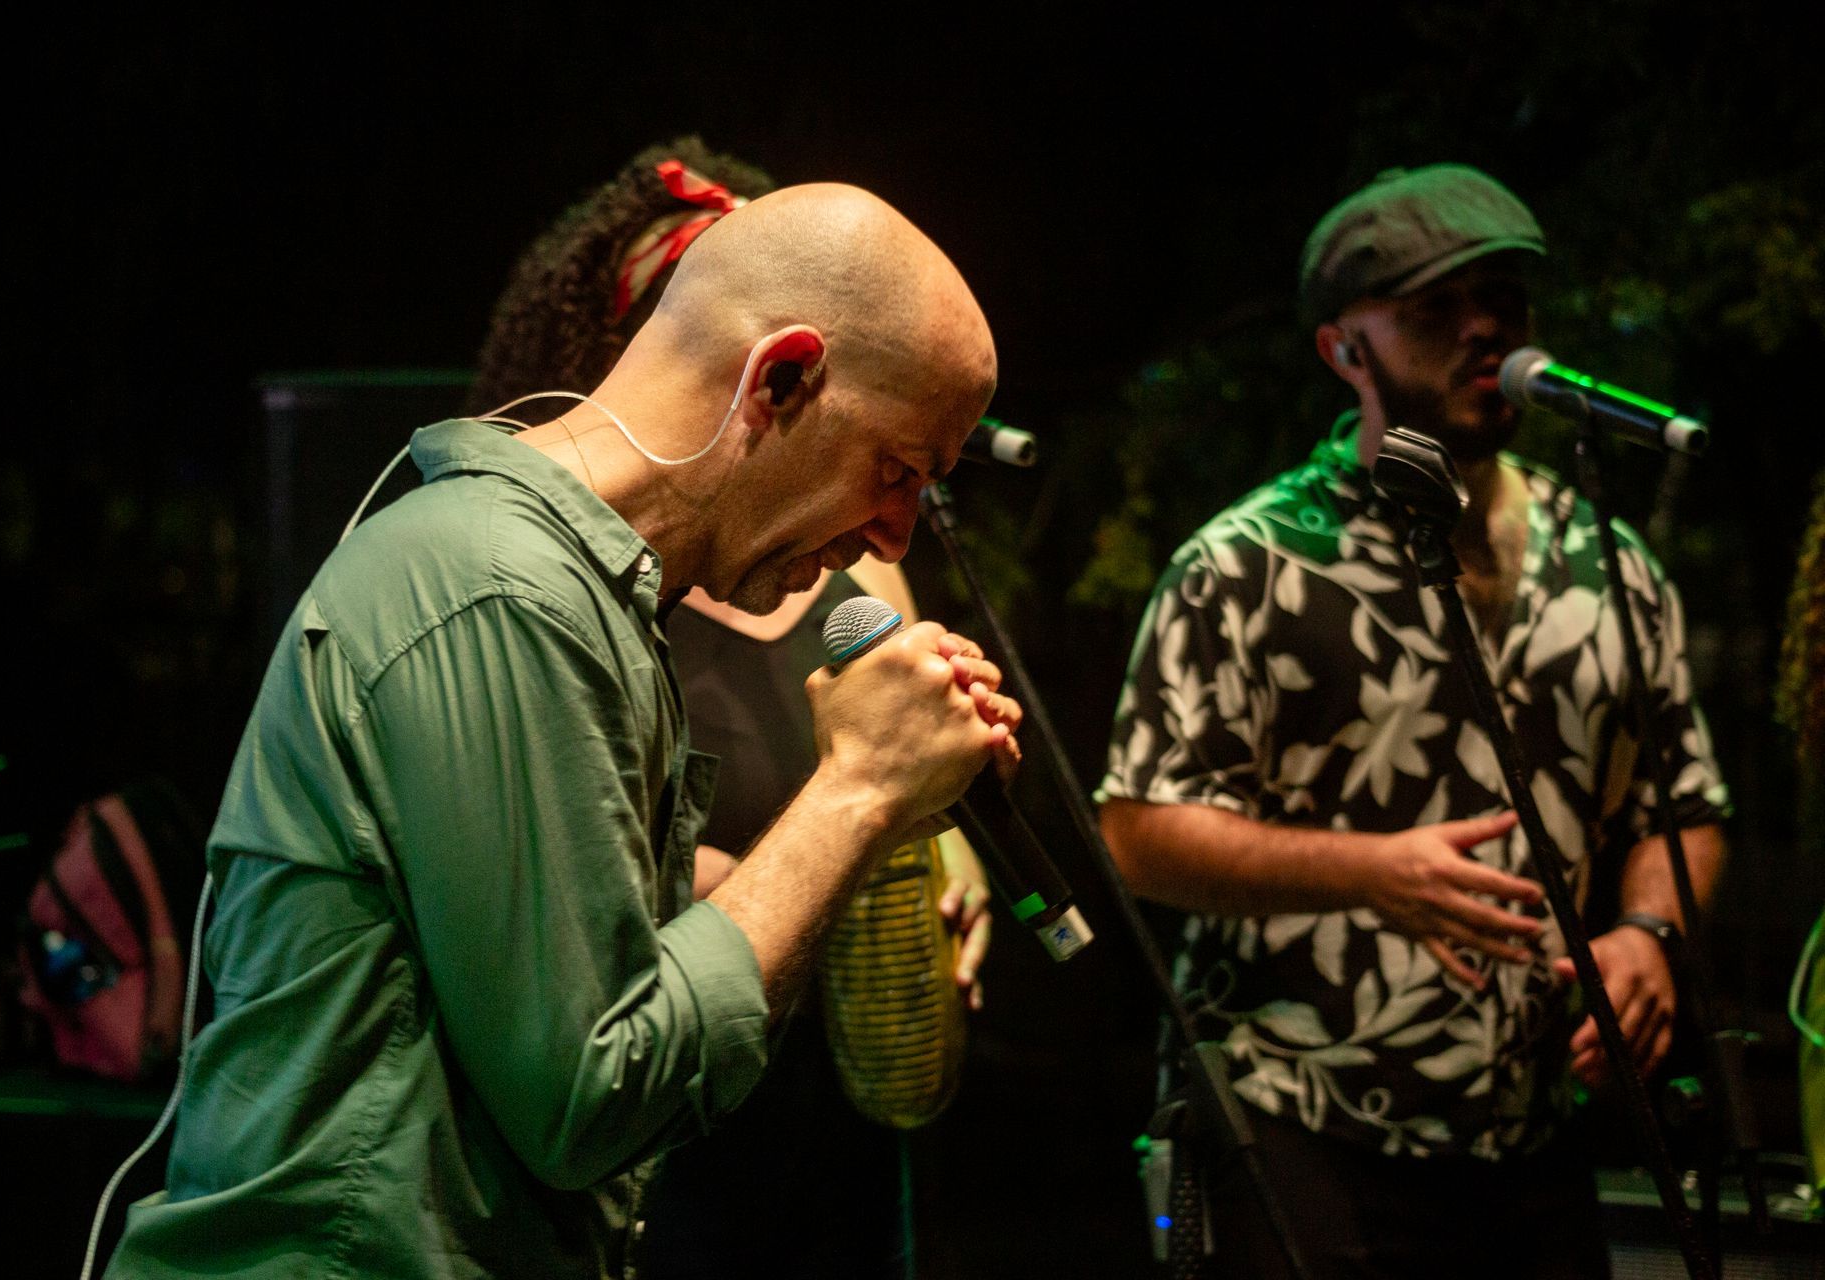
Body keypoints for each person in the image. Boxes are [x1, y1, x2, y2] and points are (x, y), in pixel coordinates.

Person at [105, 180, 1014, 1280]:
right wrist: (858, 786)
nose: (897, 528)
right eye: (899, 470)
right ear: (779, 378)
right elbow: (594, 1095)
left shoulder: (591, 595)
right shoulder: (506, 591)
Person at [1098, 165, 1730, 1277]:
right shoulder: (1244, 564)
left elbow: (1685, 808)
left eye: (1506, 302)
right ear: (1345, 350)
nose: (1486, 328)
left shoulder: (1611, 559)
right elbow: (1139, 832)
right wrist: (1370, 870)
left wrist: (1651, 933)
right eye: (1438, 309)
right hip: (1305, 1118)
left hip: (1536, 1137)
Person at [468, 139, 991, 1279]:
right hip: (671, 1097)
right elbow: (588, 871)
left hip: (825, 1076)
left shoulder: (847, 570)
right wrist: (839, 837)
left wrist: (954, 866)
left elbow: (902, 756)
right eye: (892, 468)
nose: (892, 525)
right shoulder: (559, 585)